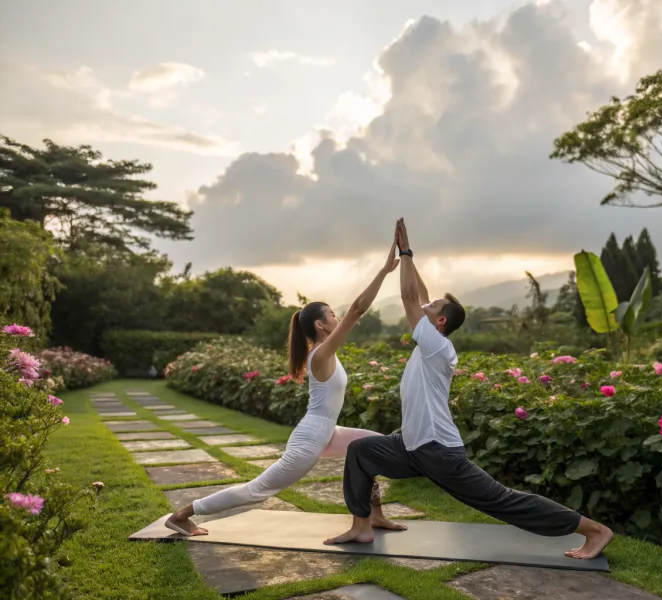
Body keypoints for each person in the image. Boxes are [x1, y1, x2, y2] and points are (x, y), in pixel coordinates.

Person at [324, 219, 614, 560]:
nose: (424, 305)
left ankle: (594, 530)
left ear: (440, 322)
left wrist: (402, 253)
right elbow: (418, 293)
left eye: (431, 308)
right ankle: (365, 524)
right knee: (362, 452)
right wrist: (410, 252)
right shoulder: (431, 340)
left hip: (437, 449)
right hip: (412, 444)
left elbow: (407, 295)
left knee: (501, 499)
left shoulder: (435, 346)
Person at [165, 240, 407, 536]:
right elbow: (357, 310)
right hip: (311, 437)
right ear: (320, 325)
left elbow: (355, 314)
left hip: (327, 430)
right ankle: (182, 515)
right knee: (257, 490)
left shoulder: (324, 351)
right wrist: (384, 271)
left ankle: (375, 516)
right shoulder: (321, 355)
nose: (338, 318)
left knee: (373, 447)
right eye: (332, 314)